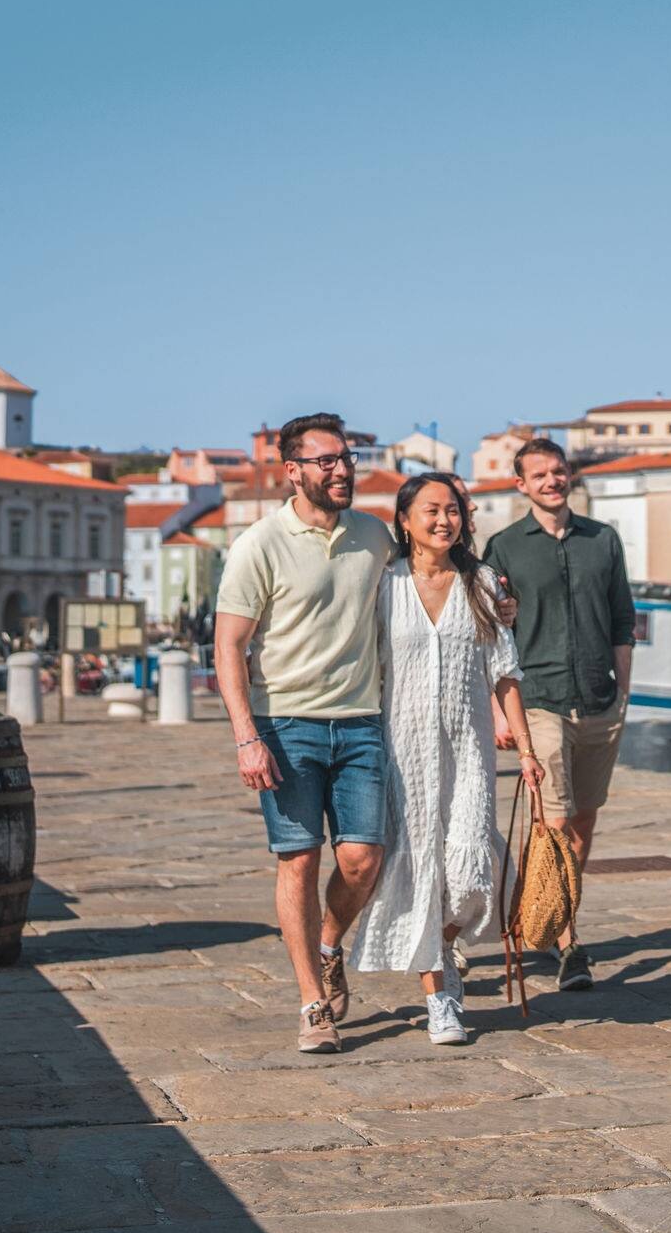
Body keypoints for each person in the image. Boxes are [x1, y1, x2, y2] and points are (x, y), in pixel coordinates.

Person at [214, 412, 395, 1054]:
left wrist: (497, 601)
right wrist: (246, 735)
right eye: (327, 461)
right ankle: (312, 1004)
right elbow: (228, 647)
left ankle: (327, 946)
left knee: (362, 860)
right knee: (299, 860)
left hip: (361, 722)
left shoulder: (375, 536)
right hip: (285, 724)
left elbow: (435, 579)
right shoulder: (259, 543)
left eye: (346, 459)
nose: (342, 469)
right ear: (293, 471)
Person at [352, 474, 545, 1045]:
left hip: (469, 749)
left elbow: (504, 671)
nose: (444, 520)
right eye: (431, 511)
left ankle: (441, 942)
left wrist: (527, 749)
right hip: (402, 751)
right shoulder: (384, 585)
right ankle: (440, 998)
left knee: (469, 875)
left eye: (454, 510)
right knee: (420, 875)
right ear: (405, 520)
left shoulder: (482, 582)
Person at [483, 438, 635, 993]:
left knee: (584, 821)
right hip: (540, 698)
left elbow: (623, 619)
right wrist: (503, 711)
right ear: (520, 484)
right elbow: (493, 635)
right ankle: (568, 941)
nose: (552, 481)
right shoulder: (503, 548)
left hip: (599, 698)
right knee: (553, 824)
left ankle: (544, 911)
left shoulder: (603, 540)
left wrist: (625, 692)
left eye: (558, 471)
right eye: (539, 475)